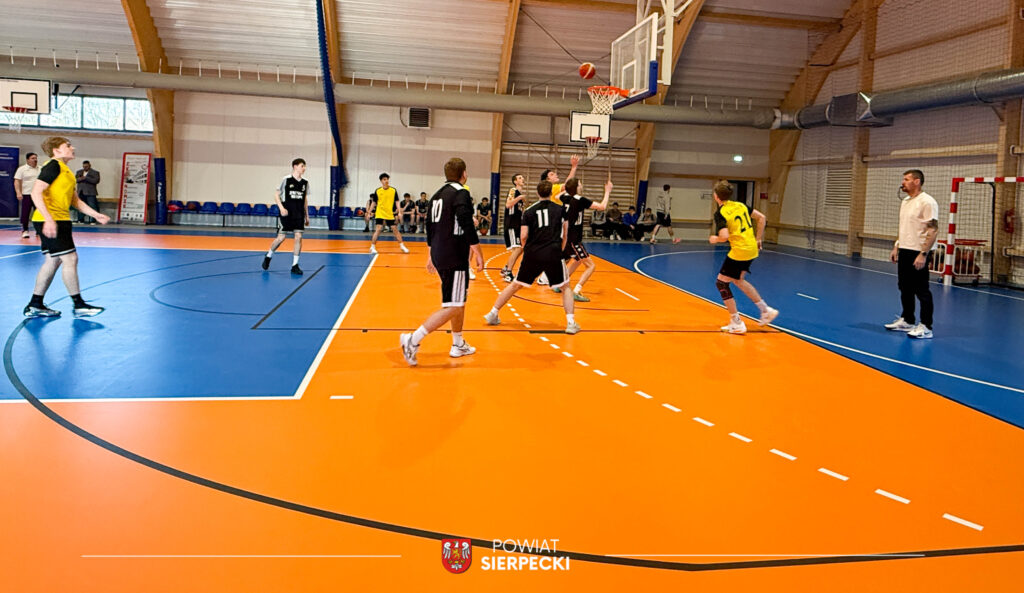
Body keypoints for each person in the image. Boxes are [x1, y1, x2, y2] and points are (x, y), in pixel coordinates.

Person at [400, 158, 483, 366]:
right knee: (454, 305)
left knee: (457, 300)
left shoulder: (437, 195)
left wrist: (431, 253)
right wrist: (478, 252)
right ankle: (413, 340)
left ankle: (458, 343)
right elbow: (466, 223)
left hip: (440, 252)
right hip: (455, 254)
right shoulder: (461, 193)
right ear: (464, 174)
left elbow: (430, 226)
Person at [23, 136, 110, 318]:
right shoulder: (52, 166)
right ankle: (79, 305)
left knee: (53, 261)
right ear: (56, 150)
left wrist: (96, 214)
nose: (72, 148)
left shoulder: (67, 171)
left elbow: (75, 201)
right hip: (51, 219)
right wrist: (48, 219)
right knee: (70, 259)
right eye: (68, 145)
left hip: (60, 219)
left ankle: (35, 304)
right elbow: (36, 192)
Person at [484, 180, 580, 334]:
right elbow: (565, 234)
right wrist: (560, 250)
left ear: (537, 193)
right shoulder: (560, 210)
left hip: (533, 253)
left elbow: (523, 236)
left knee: (515, 284)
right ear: (551, 193)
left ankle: (492, 313)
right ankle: (571, 323)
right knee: (565, 287)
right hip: (553, 252)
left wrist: (528, 249)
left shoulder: (529, 211)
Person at [709, 180, 778, 334]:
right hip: (751, 248)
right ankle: (765, 310)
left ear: (716, 196)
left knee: (721, 283)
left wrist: (715, 239)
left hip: (739, 251)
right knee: (738, 280)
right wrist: (758, 239)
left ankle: (736, 322)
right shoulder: (740, 205)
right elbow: (762, 218)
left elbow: (724, 236)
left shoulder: (721, 213)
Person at [884, 169, 939, 339]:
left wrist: (923, 254)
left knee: (921, 290)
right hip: (905, 250)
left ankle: (926, 326)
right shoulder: (906, 201)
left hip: (918, 251)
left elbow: (933, 230)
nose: (903, 182)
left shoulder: (927, 202)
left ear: (917, 182)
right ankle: (907, 319)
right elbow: (904, 227)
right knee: (904, 287)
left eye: (907, 179)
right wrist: (897, 246)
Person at [553, 177, 612, 302]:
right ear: (576, 187)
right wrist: (607, 191)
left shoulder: (565, 197)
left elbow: (557, 196)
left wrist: (568, 190)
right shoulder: (580, 200)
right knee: (591, 266)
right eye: (579, 184)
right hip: (573, 239)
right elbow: (602, 206)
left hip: (565, 237)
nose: (581, 186)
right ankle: (576, 290)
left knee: (578, 260)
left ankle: (560, 283)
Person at [262, 158, 309, 275]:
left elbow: (305, 200)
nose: (304, 168)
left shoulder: (305, 183)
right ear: (295, 166)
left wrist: (307, 215)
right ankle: (268, 256)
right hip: (287, 213)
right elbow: (276, 195)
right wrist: (281, 208)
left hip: (299, 214)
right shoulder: (286, 180)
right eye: (302, 166)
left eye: (304, 166)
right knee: (281, 238)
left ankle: (295, 265)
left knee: (298, 237)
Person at [369, 172, 410, 254]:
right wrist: (369, 211)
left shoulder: (393, 190)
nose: (386, 181)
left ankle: (402, 246)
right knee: (378, 229)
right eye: (384, 179)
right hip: (380, 213)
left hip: (389, 213)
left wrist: (399, 211)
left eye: (387, 179)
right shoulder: (377, 191)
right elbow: (374, 202)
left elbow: (397, 201)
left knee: (395, 229)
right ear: (381, 181)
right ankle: (372, 247)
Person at [501, 173, 526, 282]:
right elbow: (508, 204)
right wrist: (519, 197)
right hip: (511, 224)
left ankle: (506, 268)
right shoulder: (513, 190)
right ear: (515, 181)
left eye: (522, 177)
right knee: (518, 248)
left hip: (518, 224)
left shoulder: (520, 195)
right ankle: (508, 273)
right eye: (520, 178)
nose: (523, 179)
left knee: (521, 248)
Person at [14, 152, 39, 239]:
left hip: (38, 195)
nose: (35, 160)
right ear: (27, 160)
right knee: (25, 213)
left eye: (36, 158)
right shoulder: (22, 169)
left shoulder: (40, 169)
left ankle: (38, 230)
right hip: (26, 194)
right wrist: (18, 192)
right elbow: (17, 181)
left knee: (39, 213)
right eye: (33, 158)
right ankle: (25, 230)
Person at [75, 160, 101, 224]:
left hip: (90, 192)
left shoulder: (95, 172)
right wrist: (80, 179)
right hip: (81, 191)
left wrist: (86, 178)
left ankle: (93, 220)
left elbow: (96, 181)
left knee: (92, 206)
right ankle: (80, 219)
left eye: (86, 166)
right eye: (84, 166)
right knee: (81, 206)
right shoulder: (79, 172)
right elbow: (75, 180)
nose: (85, 168)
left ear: (89, 165)